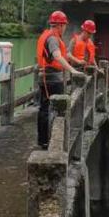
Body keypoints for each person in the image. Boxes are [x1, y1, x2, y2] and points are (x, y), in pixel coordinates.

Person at [36, 10, 84, 149]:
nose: (65, 29)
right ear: (59, 25)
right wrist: (72, 70)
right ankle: (53, 141)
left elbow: (62, 55)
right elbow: (57, 56)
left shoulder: (49, 36)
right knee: (57, 109)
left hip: (46, 77)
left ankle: (44, 140)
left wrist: (76, 62)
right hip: (52, 79)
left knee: (45, 108)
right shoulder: (52, 38)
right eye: (64, 26)